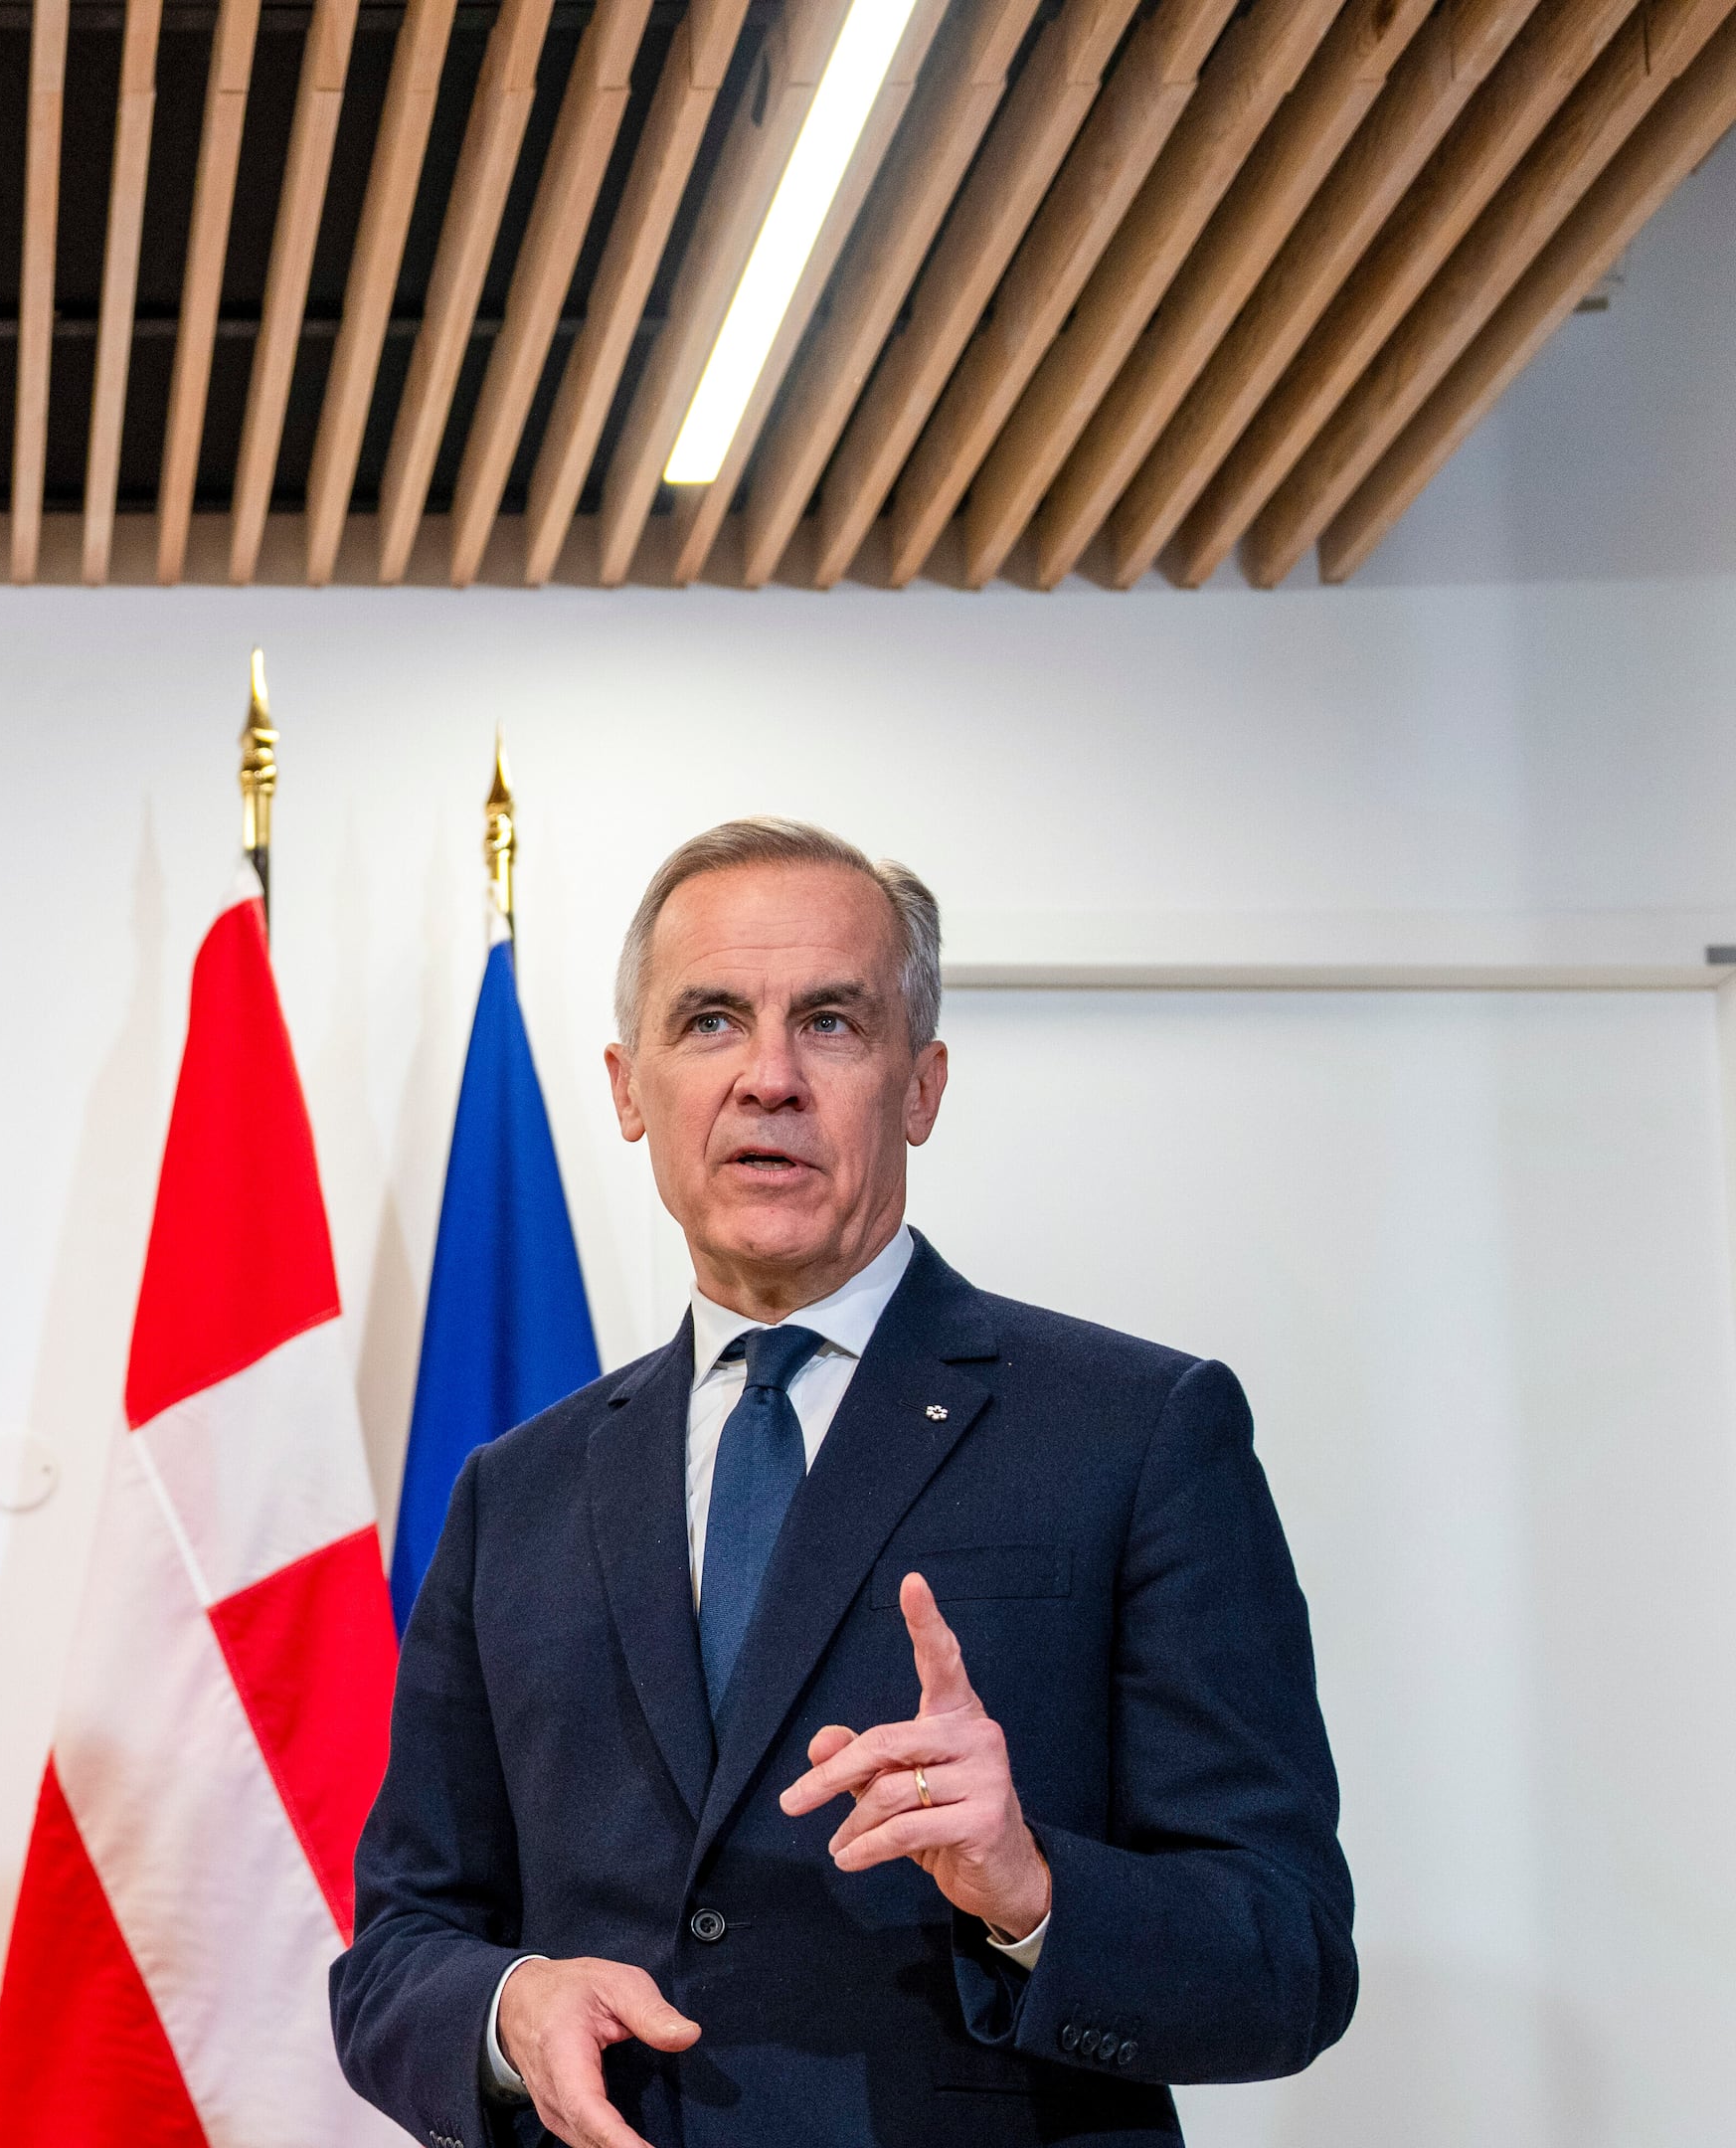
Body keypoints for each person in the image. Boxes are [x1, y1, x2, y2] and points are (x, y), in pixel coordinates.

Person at [333, 819, 1353, 2148]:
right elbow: (399, 1948)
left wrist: (1029, 1887)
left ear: (920, 1086)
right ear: (628, 1087)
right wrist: (509, 2007)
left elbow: (1287, 1958)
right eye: (708, 1021)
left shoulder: (1144, 1430)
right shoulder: (515, 1490)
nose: (768, 1078)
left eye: (829, 1022)